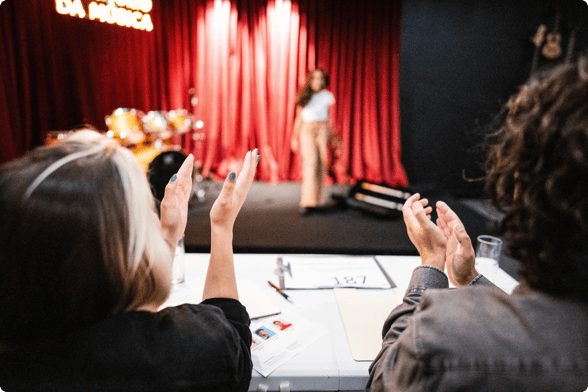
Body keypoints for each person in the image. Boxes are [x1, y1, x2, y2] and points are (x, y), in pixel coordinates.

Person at [366, 55, 588, 391]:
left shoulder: (446, 335)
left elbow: (384, 382)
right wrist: (469, 279)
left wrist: (431, 265)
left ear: (522, 184)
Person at [0, 130, 260, 392]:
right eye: (148, 210)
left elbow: (116, 302)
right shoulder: (181, 352)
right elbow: (231, 338)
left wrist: (168, 238)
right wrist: (222, 228)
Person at [291, 68, 336, 214]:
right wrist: (293, 137)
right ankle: (307, 202)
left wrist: (333, 136)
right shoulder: (304, 96)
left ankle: (317, 200)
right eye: (315, 78)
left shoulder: (328, 96)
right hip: (307, 129)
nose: (318, 81)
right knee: (310, 162)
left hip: (323, 129)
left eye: (320, 78)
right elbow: (298, 118)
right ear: (310, 80)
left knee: (322, 163)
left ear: (324, 81)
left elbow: (330, 118)